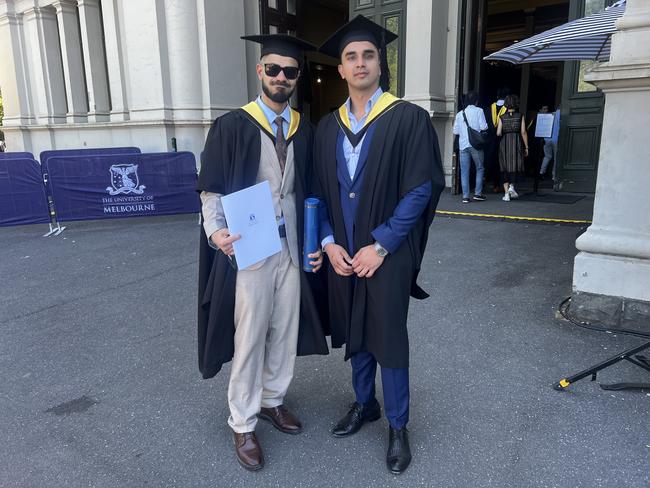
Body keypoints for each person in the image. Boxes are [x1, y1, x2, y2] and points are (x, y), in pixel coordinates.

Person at [314, 15, 445, 475]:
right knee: (356, 329)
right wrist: (329, 243)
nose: (360, 62)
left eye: (369, 54)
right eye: (351, 56)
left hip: (385, 255)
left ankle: (398, 425)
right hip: (344, 255)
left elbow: (420, 190)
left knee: (388, 336)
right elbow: (317, 193)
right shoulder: (327, 128)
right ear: (341, 70)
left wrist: (382, 244)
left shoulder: (407, 118)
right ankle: (364, 404)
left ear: (380, 63)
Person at [196, 33, 329, 471]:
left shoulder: (303, 128)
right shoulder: (233, 125)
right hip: (250, 249)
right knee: (250, 335)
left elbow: (310, 190)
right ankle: (243, 419)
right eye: (273, 69)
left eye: (290, 71)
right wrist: (216, 232)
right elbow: (212, 189)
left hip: (291, 243)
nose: (281, 77)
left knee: (284, 329)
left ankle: (273, 399)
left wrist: (317, 242)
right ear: (260, 72)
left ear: (297, 77)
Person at [453, 90, 488, 203]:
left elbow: (456, 131)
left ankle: (465, 196)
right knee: (480, 168)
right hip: (476, 145)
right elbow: (484, 127)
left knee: (464, 171)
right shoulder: (479, 111)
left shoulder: (459, 114)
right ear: (476, 101)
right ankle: (477, 193)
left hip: (463, 145)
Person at [497, 94, 528, 201]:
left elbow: (498, 133)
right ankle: (512, 187)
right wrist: (527, 147)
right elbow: (523, 132)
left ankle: (506, 194)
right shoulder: (520, 116)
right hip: (516, 142)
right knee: (515, 164)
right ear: (516, 104)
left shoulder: (502, 117)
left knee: (504, 166)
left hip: (504, 143)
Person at [484, 87, 510, 193]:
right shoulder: (508, 110)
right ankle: (500, 186)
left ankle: (488, 181)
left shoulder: (488, 109)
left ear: (497, 96)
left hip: (490, 141)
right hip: (503, 140)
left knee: (490, 161)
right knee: (502, 164)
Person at [540, 105, 560, 180]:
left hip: (547, 139)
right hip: (556, 139)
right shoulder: (561, 114)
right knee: (556, 158)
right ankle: (554, 176)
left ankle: (541, 172)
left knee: (547, 156)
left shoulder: (550, 115)